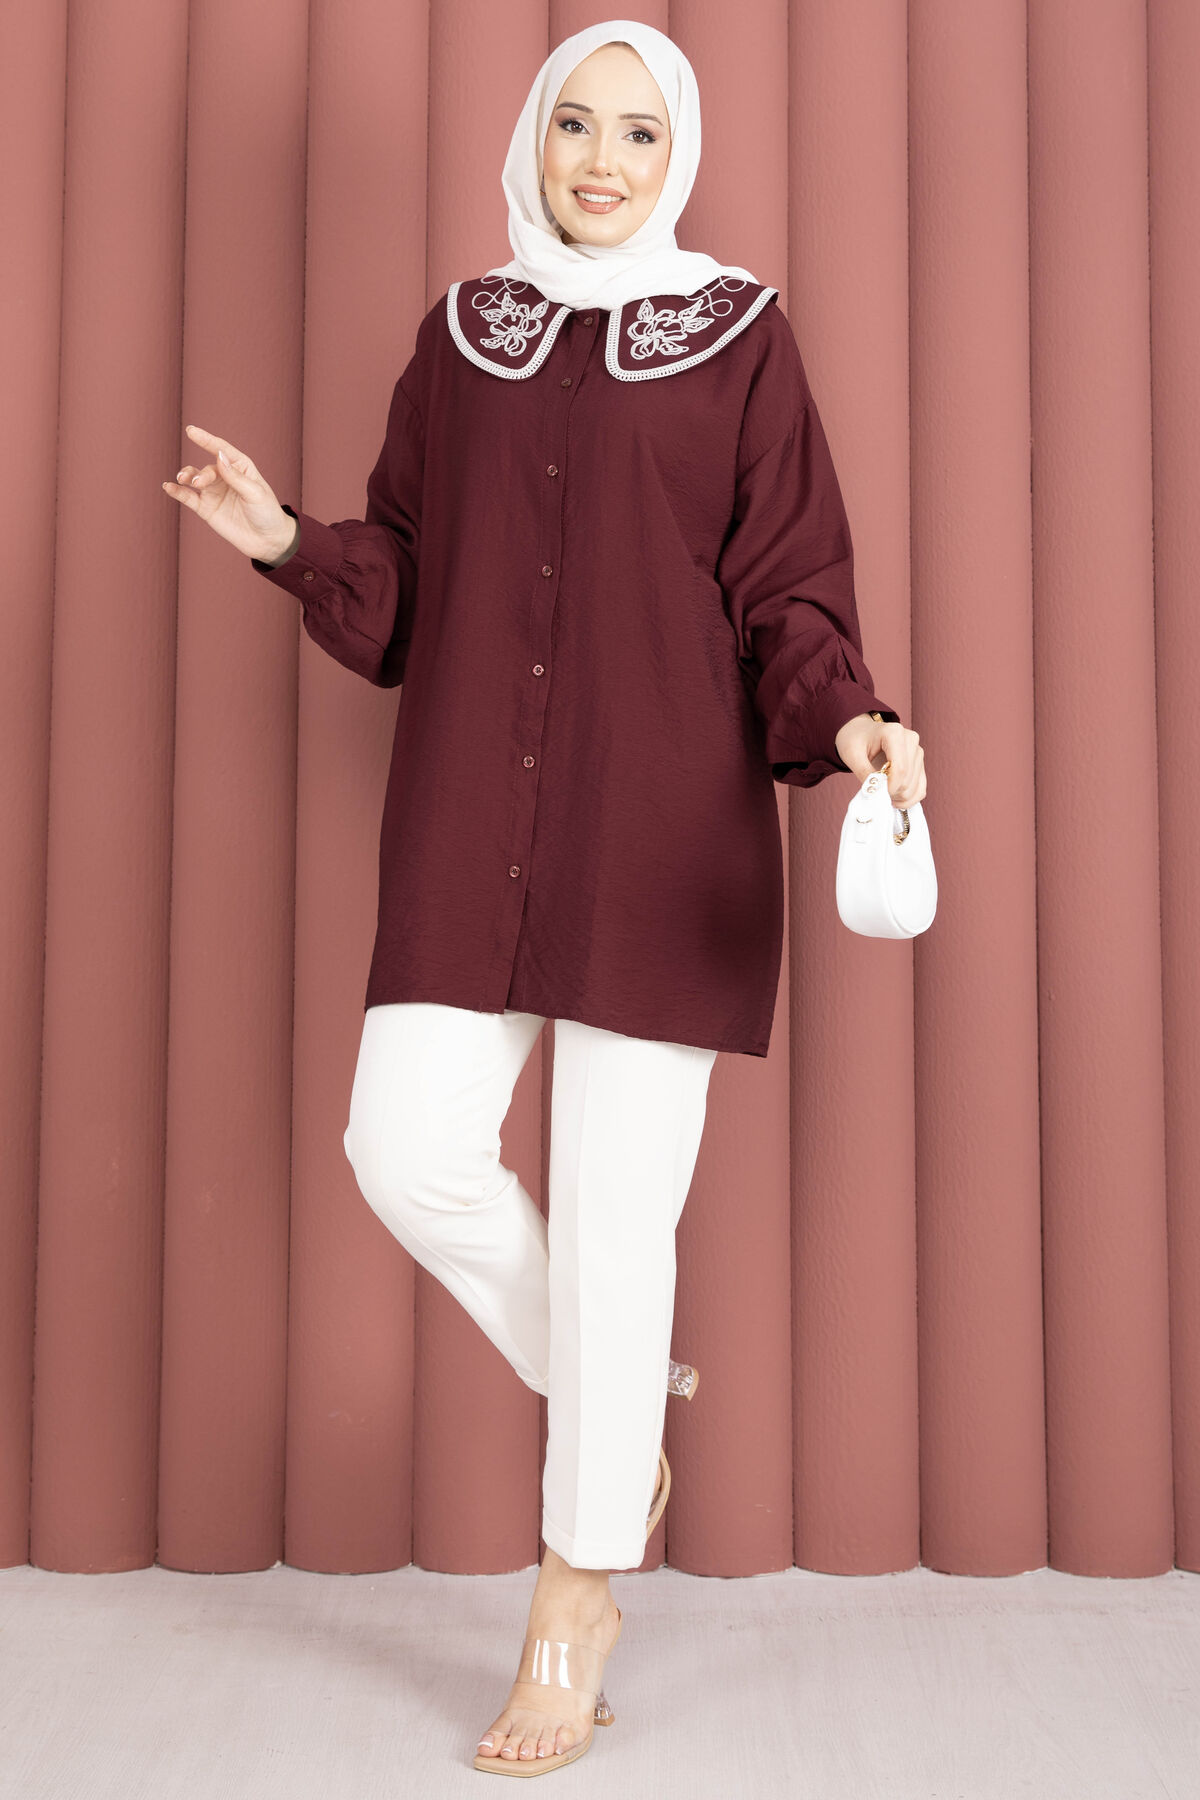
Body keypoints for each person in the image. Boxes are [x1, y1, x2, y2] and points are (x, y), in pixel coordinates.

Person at [161, 17, 927, 1778]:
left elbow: (790, 592)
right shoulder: (465, 336)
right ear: (532, 138)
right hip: (468, 828)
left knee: (614, 1219)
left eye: (638, 134)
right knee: (402, 1146)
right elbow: (410, 578)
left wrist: (858, 721)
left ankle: (573, 1606)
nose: (600, 160)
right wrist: (288, 542)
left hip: (661, 841)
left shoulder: (741, 338)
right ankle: (614, 1400)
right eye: (574, 124)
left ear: (680, 156)